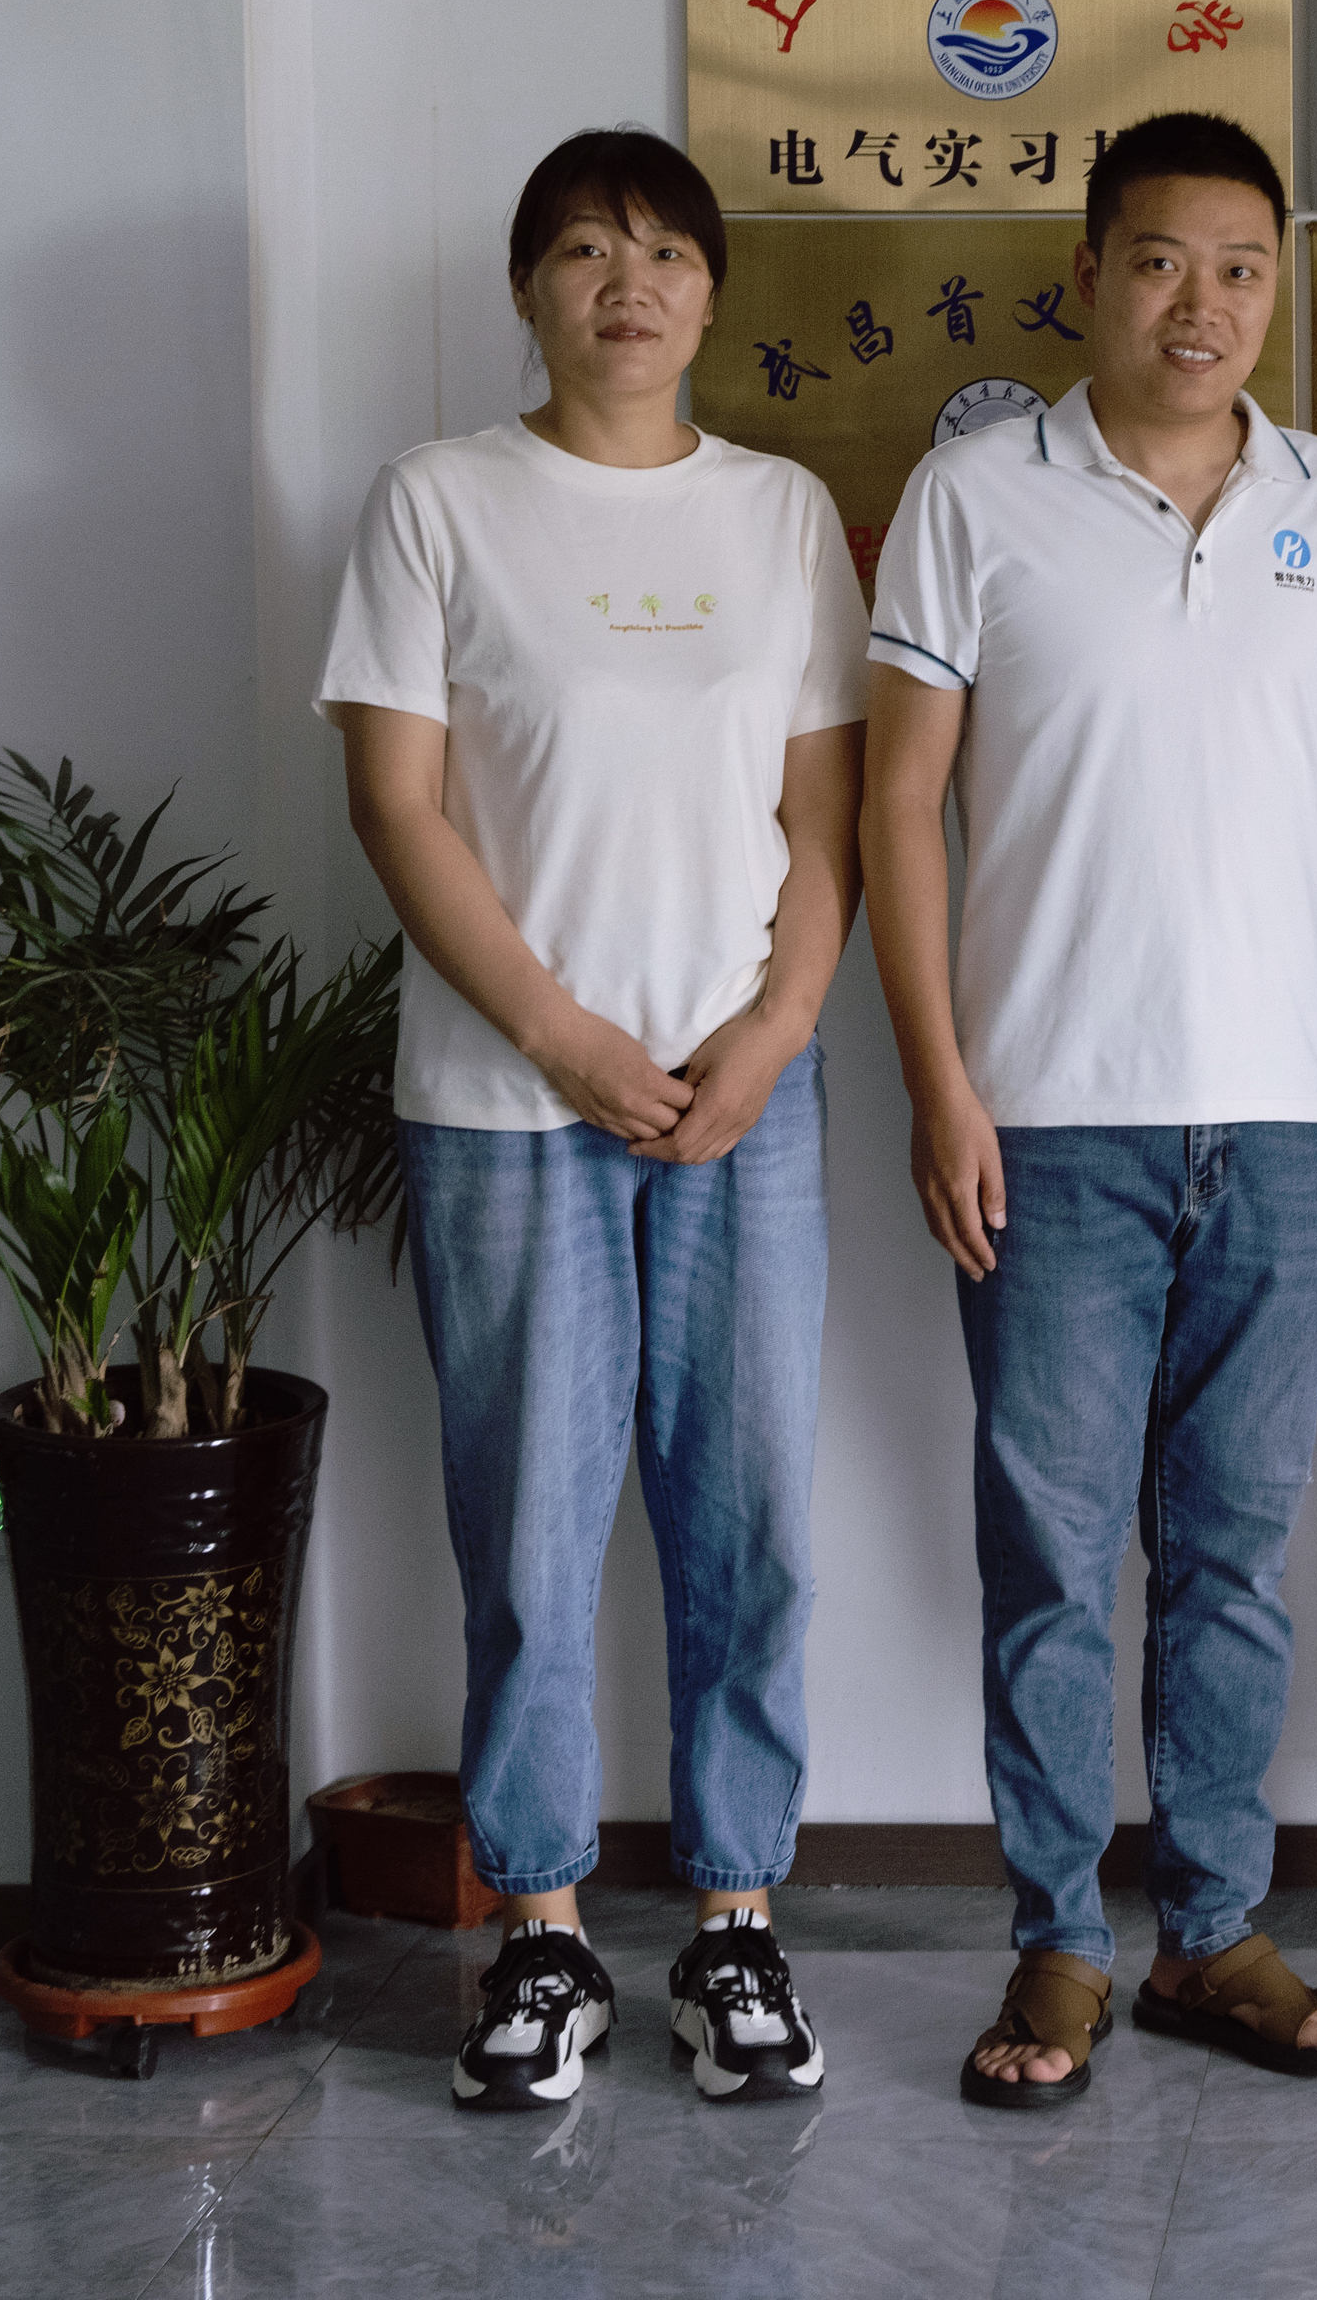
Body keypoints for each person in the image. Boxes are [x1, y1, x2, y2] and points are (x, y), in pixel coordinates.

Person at [860, 111, 1317, 2110]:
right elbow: (899, 801)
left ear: (1277, 287)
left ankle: (1213, 1928)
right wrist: (940, 1080)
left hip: (1275, 1119)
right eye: (1164, 261)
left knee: (1234, 1555)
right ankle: (1057, 1937)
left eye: (1241, 268)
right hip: (1049, 1117)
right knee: (1050, 1552)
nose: (1205, 304)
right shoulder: (973, 494)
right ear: (1089, 272)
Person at [320, 127, 865, 2112]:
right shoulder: (437, 499)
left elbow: (826, 817)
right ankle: (541, 1931)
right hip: (505, 1099)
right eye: (581, 250)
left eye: (663, 252)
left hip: (743, 1099)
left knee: (749, 1517)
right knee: (532, 1526)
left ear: (711, 291)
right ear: (526, 289)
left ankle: (735, 1922)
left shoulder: (783, 512)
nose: (626, 285)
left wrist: (775, 1032)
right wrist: (560, 1037)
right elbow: (397, 804)